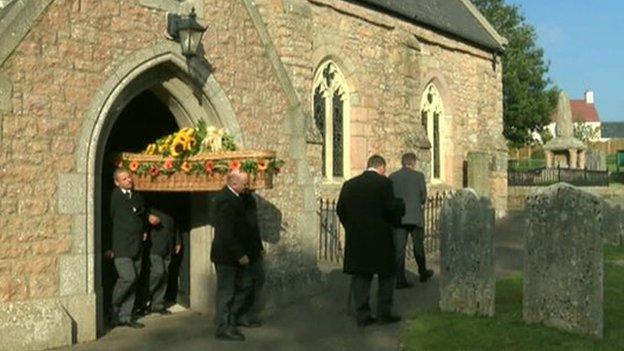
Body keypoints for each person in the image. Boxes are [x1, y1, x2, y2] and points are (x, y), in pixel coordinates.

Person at [337, 155, 405, 327]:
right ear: (381, 167)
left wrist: (351, 227)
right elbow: (390, 209)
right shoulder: (384, 184)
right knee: (387, 276)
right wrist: (399, 208)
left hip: (357, 238)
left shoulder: (349, 185)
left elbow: (340, 210)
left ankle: (363, 315)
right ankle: (383, 313)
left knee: (361, 276)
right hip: (381, 238)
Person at [109, 168, 159, 328]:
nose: (129, 180)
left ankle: (125, 316)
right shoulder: (115, 196)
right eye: (124, 179)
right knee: (128, 277)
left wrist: (145, 226)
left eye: (129, 177)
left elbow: (140, 213)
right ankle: (113, 305)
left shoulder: (137, 197)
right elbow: (108, 221)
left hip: (137, 245)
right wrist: (108, 247)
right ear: (117, 182)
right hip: (121, 246)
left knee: (134, 280)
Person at [210, 170, 254, 341]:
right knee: (226, 292)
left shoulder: (235, 197)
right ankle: (223, 327)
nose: (247, 187)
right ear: (235, 183)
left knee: (245, 285)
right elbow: (226, 233)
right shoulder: (225, 201)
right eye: (245, 184)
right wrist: (240, 254)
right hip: (226, 255)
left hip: (235, 253)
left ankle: (231, 319)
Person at [389, 152, 434, 288]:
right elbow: (423, 197)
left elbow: (390, 197)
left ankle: (400, 279)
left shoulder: (393, 177)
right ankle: (422, 272)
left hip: (399, 218)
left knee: (399, 249)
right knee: (418, 246)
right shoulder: (419, 176)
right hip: (415, 217)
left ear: (402, 163)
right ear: (413, 163)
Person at [237, 189, 265, 328]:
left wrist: (259, 246)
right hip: (243, 248)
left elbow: (255, 227)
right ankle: (240, 315)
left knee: (258, 279)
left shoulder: (250, 199)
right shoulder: (236, 200)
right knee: (245, 284)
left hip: (253, 248)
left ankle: (248, 313)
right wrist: (240, 253)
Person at [146, 207, 181, 315]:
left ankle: (157, 304)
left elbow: (175, 226)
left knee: (165, 276)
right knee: (158, 272)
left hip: (168, 246)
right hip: (154, 246)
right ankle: (144, 298)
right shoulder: (150, 207)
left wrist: (178, 241)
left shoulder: (171, 208)